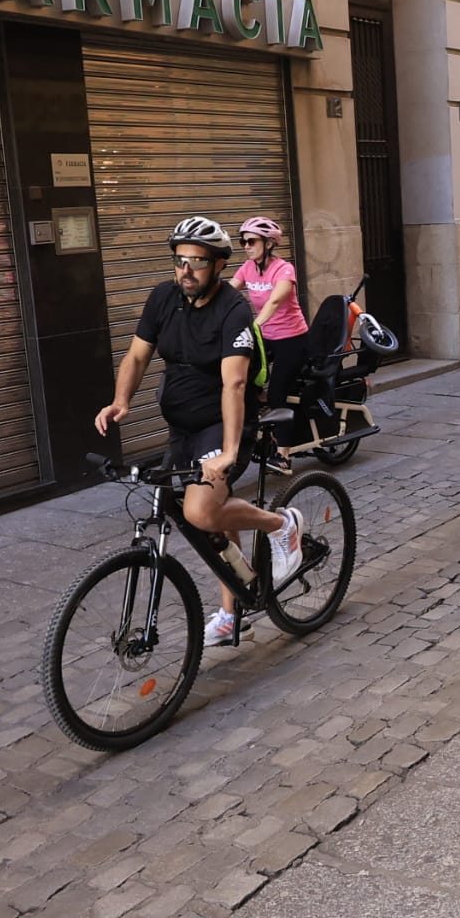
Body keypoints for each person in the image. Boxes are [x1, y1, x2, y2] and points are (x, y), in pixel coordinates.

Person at [95, 216, 305, 644]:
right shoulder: (162, 298)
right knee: (197, 513)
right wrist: (121, 401)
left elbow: (235, 383)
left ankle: (281, 526)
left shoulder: (233, 309)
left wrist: (228, 452)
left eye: (198, 261)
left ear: (219, 265)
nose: (186, 270)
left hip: (224, 424)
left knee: (202, 511)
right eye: (180, 260)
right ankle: (233, 609)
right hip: (182, 427)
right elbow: (136, 356)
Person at [231, 216, 308, 476]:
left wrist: (255, 325)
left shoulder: (284, 270)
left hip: (292, 338)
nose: (245, 246)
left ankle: (284, 456)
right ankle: (260, 417)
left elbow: (275, 301)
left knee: (278, 393)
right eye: (243, 241)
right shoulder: (247, 268)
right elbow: (229, 293)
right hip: (265, 337)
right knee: (242, 379)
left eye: (251, 241)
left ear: (269, 243)